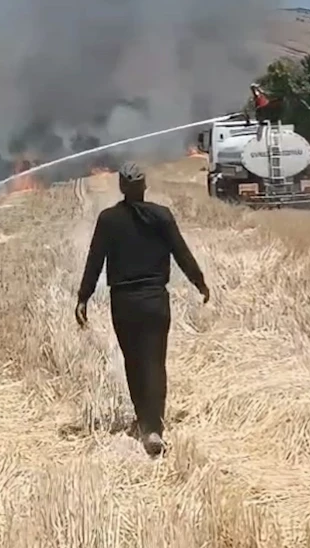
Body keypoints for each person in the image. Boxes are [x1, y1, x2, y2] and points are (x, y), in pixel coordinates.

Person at [75, 162, 209, 457]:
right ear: (144, 186)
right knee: (155, 362)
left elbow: (94, 261)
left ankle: (144, 420)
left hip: (124, 302)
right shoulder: (161, 216)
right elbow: (181, 252)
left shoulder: (108, 220)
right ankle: (154, 428)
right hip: (155, 301)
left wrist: (83, 297)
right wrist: (199, 282)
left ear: (121, 187)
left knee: (134, 362)